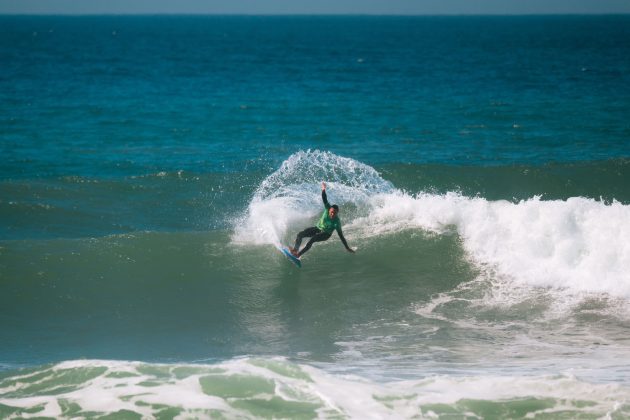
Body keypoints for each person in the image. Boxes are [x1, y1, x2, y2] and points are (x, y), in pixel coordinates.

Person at [290, 182, 355, 258]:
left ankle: (298, 255)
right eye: (331, 212)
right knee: (300, 235)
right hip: (317, 228)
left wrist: (347, 248)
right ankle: (295, 250)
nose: (332, 214)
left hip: (326, 234)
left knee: (312, 239)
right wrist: (323, 189)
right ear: (329, 210)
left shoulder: (336, 222)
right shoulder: (328, 208)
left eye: (334, 213)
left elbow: (341, 237)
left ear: (337, 212)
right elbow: (324, 198)